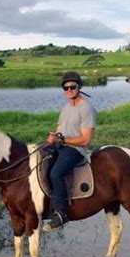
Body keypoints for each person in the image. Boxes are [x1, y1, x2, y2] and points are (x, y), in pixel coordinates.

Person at [43, 71, 97, 232]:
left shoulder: (87, 108)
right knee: (40, 161)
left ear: (79, 86)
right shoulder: (66, 108)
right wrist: (52, 139)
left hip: (75, 149)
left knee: (55, 173)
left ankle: (61, 214)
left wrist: (62, 140)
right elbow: (59, 130)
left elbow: (86, 139)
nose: (69, 90)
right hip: (61, 144)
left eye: (72, 87)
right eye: (66, 88)